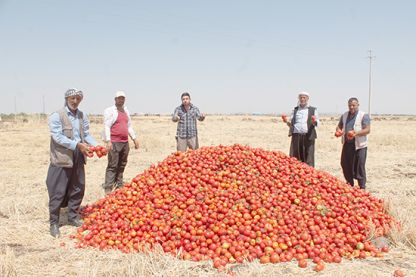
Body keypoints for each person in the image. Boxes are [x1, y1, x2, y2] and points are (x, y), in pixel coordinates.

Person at [46, 89, 97, 238]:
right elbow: (57, 137)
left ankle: (73, 216)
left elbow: (86, 134)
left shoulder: (82, 115)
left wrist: (96, 146)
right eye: (72, 98)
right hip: (63, 156)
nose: (75, 101)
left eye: (78, 98)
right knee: (58, 190)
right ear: (67, 98)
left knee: (78, 187)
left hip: (78, 154)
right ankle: (54, 223)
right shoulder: (57, 115)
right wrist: (77, 145)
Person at [103, 91, 139, 194]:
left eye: (123, 98)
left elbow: (129, 126)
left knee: (122, 164)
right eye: (119, 98)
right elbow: (107, 126)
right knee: (112, 165)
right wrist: (108, 141)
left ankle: (119, 184)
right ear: (115, 99)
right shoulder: (110, 111)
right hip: (114, 142)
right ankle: (108, 187)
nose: (121, 100)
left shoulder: (126, 111)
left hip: (124, 142)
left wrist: (134, 138)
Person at [335, 97, 371, 189]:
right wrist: (339, 131)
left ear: (358, 105)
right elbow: (339, 126)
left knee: (359, 166)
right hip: (347, 144)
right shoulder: (345, 115)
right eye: (350, 105)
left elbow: (367, 129)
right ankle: (350, 184)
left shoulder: (363, 115)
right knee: (345, 163)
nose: (351, 107)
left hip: (360, 145)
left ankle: (362, 187)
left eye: (353, 105)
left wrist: (356, 133)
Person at [283, 91, 319, 167]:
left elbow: (317, 123)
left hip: (308, 137)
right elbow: (291, 124)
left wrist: (314, 121)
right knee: (295, 157)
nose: (302, 99)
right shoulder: (295, 110)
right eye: (301, 98)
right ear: (299, 99)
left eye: (304, 97)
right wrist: (286, 121)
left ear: (307, 99)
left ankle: (310, 175)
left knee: (308, 157)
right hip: (296, 137)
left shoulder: (313, 110)